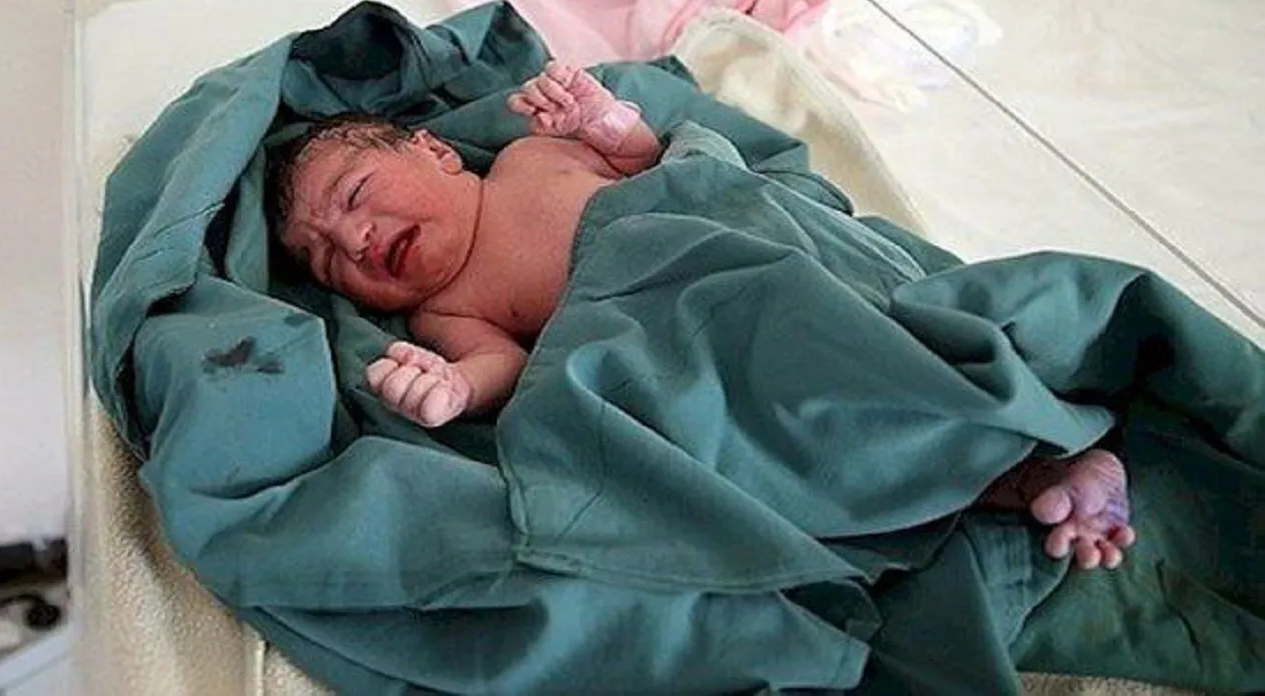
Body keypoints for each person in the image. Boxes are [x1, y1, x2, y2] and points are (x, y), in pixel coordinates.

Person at [271, 62, 1136, 570]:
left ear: (433, 150)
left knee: (872, 319)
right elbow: (505, 368)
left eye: (356, 195)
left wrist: (603, 118)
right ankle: (1025, 480)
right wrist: (452, 388)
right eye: (326, 259)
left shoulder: (533, 156)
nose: (354, 238)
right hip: (676, 327)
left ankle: (1030, 417)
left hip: (737, 239)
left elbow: (655, 159)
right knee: (792, 426)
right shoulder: (446, 309)